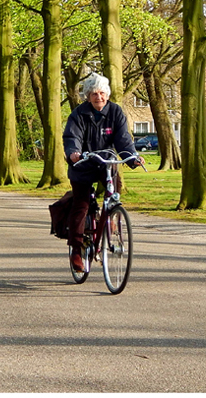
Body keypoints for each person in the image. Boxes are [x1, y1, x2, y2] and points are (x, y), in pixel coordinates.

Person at [62, 73, 143, 273]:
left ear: (107, 94)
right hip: (83, 163)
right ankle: (76, 251)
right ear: (88, 96)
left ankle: (111, 218)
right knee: (81, 205)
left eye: (102, 93)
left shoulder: (115, 112)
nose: (99, 97)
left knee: (113, 195)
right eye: (94, 94)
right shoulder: (79, 114)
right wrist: (74, 153)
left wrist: (132, 157)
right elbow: (73, 136)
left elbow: (123, 140)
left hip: (106, 162)